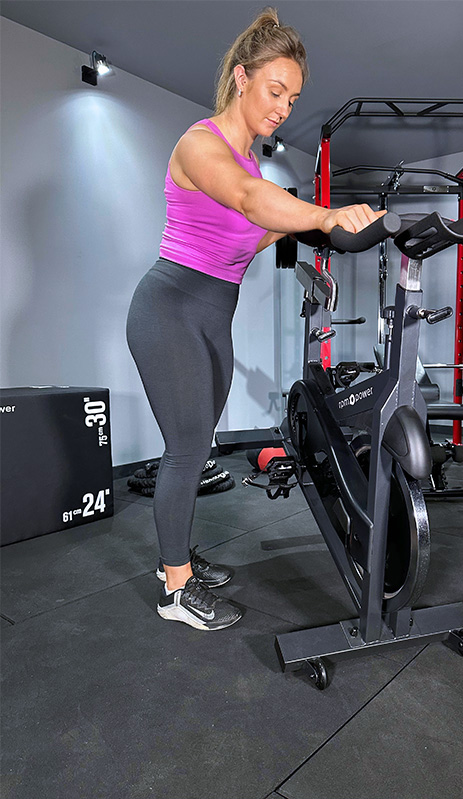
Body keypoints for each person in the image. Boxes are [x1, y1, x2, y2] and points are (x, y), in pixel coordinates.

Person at [126, 7, 385, 631]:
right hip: (170, 308)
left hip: (214, 316)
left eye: (292, 98)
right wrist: (321, 214)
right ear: (241, 78)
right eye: (275, 91)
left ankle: (175, 560)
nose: (282, 108)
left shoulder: (251, 166)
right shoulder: (200, 144)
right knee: (187, 448)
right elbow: (249, 204)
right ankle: (176, 594)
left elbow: (254, 231)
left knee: (196, 446)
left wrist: (312, 237)